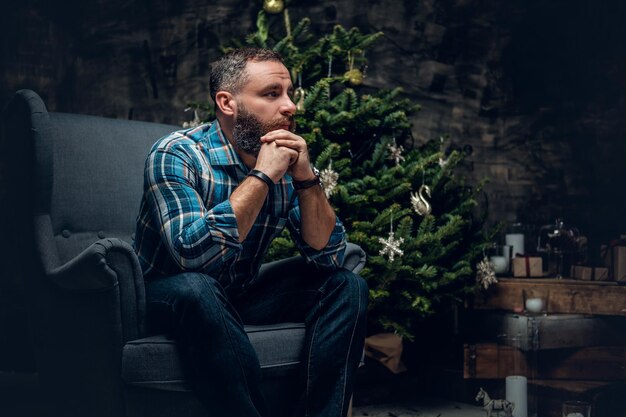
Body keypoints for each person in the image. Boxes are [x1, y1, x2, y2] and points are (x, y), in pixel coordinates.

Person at [133, 47, 368, 417]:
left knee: (346, 284)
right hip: (165, 295)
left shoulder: (285, 159)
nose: (290, 107)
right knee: (198, 288)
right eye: (272, 94)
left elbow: (330, 256)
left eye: (290, 93)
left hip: (237, 295)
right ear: (227, 103)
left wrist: (306, 179)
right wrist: (262, 176)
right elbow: (191, 256)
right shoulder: (176, 153)